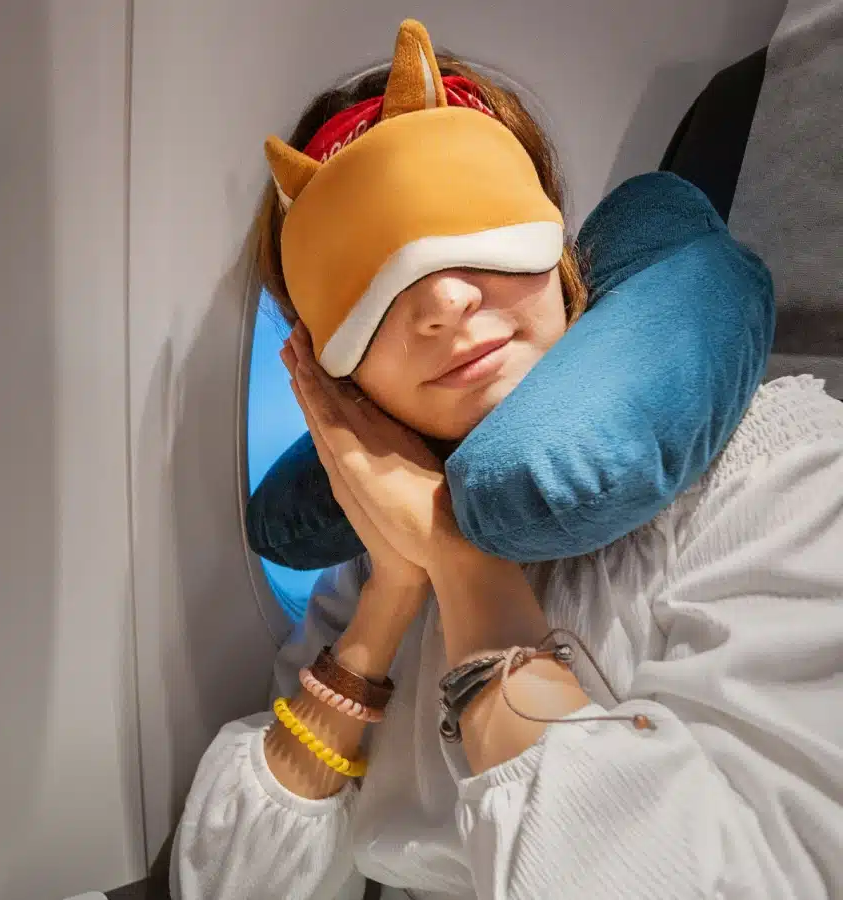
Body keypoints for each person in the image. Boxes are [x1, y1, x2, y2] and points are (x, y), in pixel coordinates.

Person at [173, 20, 843, 900]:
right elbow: (232, 887)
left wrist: (465, 568)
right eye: (368, 284)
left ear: (557, 242)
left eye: (472, 228)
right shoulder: (375, 543)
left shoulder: (775, 466)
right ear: (336, 376)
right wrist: (390, 599)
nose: (446, 300)